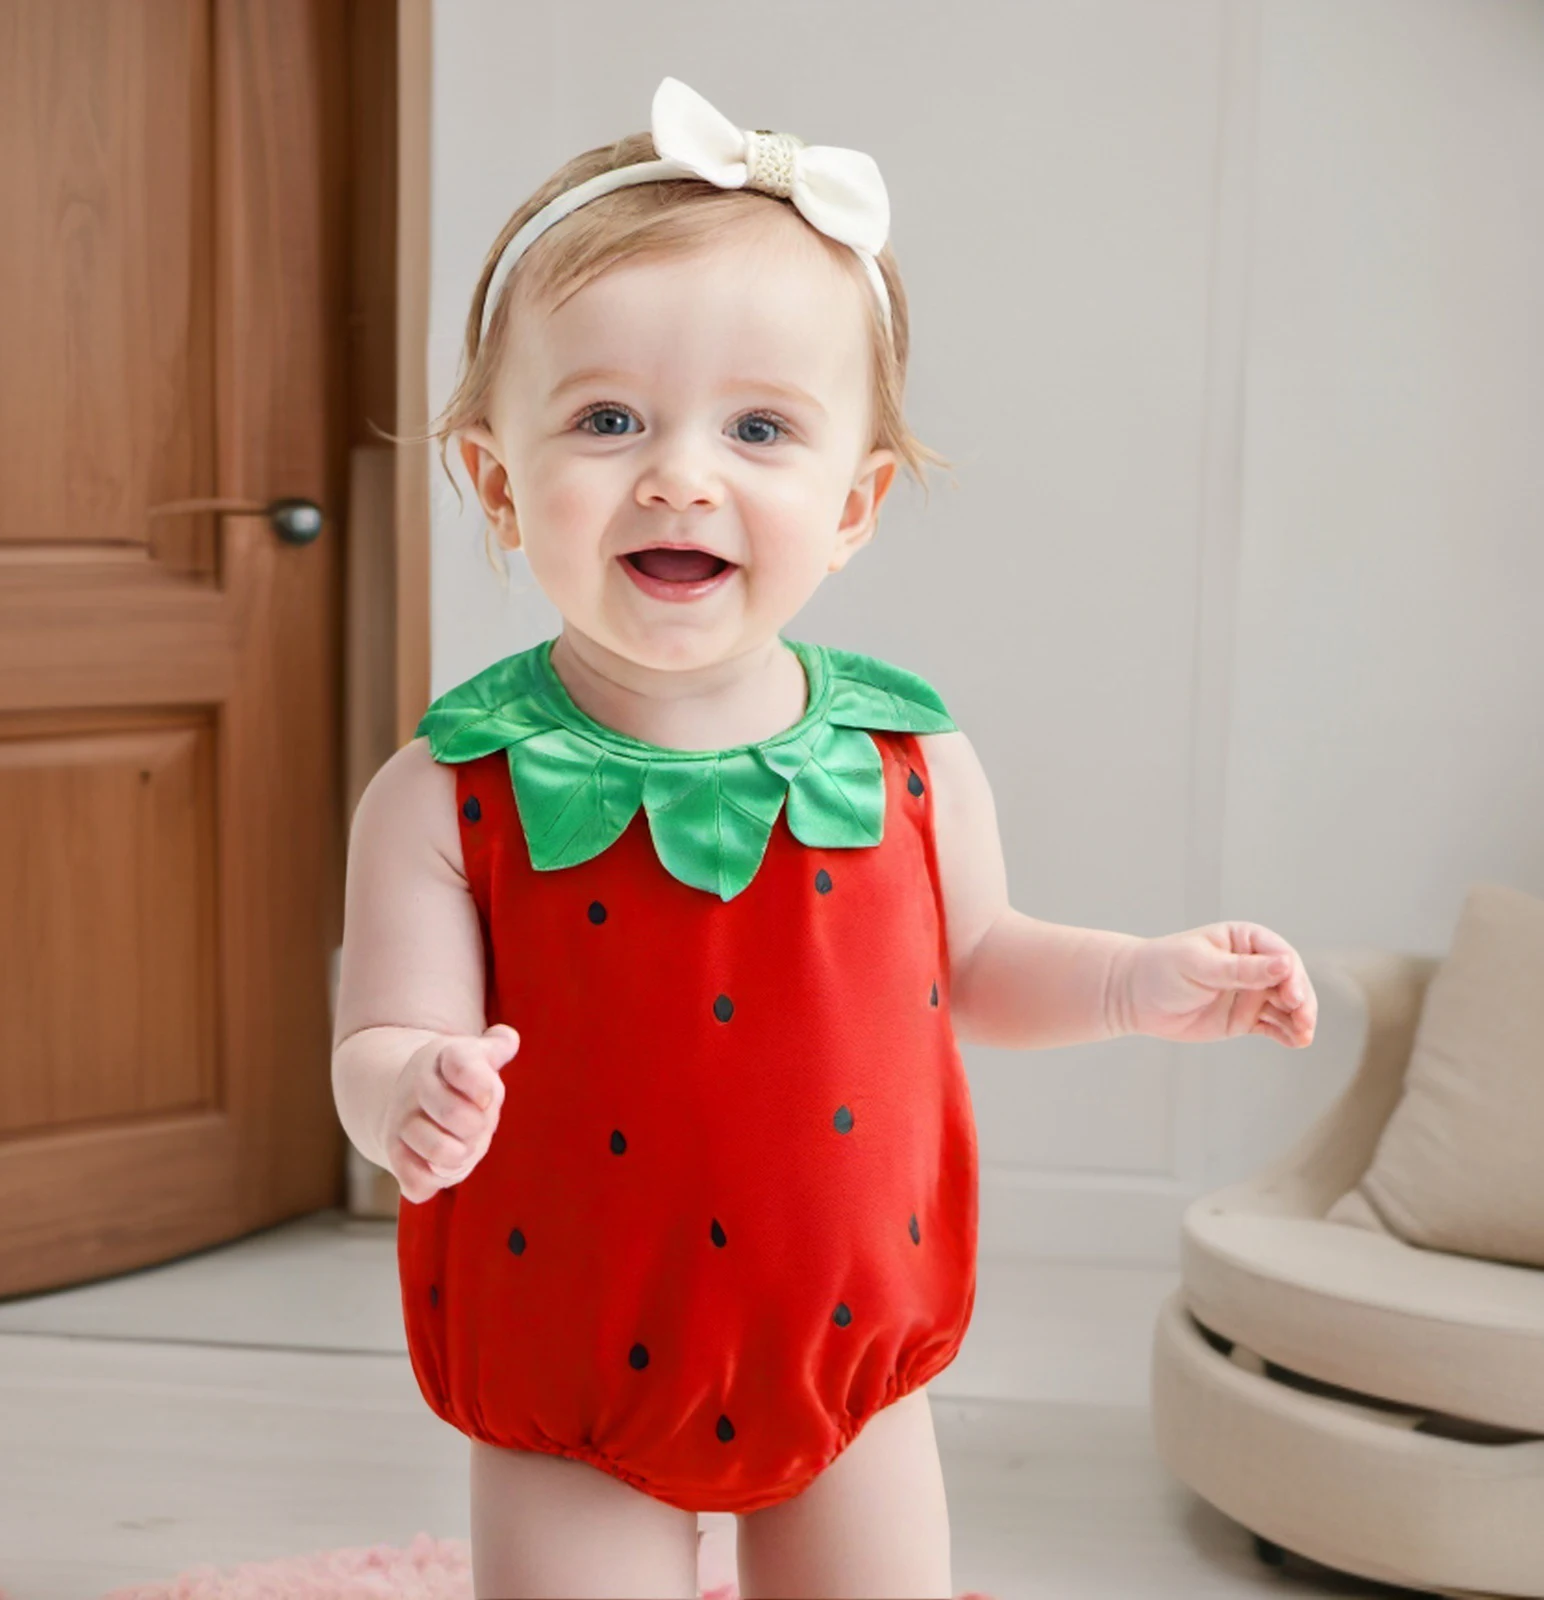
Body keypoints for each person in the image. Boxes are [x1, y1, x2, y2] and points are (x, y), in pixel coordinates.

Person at [331, 76, 1318, 1600]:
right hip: (571, 1365)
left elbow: (977, 963)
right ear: (496, 482)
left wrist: (1137, 980)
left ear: (853, 505)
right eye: (607, 419)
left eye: (759, 427)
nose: (681, 473)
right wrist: (410, 1089)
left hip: (848, 1362)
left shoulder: (907, 760)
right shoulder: (446, 794)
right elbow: (382, 1034)